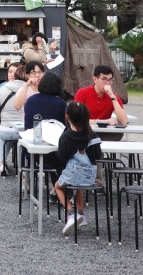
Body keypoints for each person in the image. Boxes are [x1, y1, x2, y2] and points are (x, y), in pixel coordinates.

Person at [54, 100, 103, 235]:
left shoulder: (66, 136)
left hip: (73, 173)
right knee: (79, 187)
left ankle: (71, 213)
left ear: (67, 117)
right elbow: (98, 154)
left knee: (57, 187)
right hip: (90, 176)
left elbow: (61, 157)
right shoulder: (92, 134)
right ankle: (81, 214)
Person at [0, 62, 25, 175]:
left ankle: (1, 163)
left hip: (5, 131)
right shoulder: (28, 89)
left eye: (14, 72)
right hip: (22, 132)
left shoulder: (2, 88)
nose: (12, 74)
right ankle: (24, 167)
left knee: (5, 136)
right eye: (10, 71)